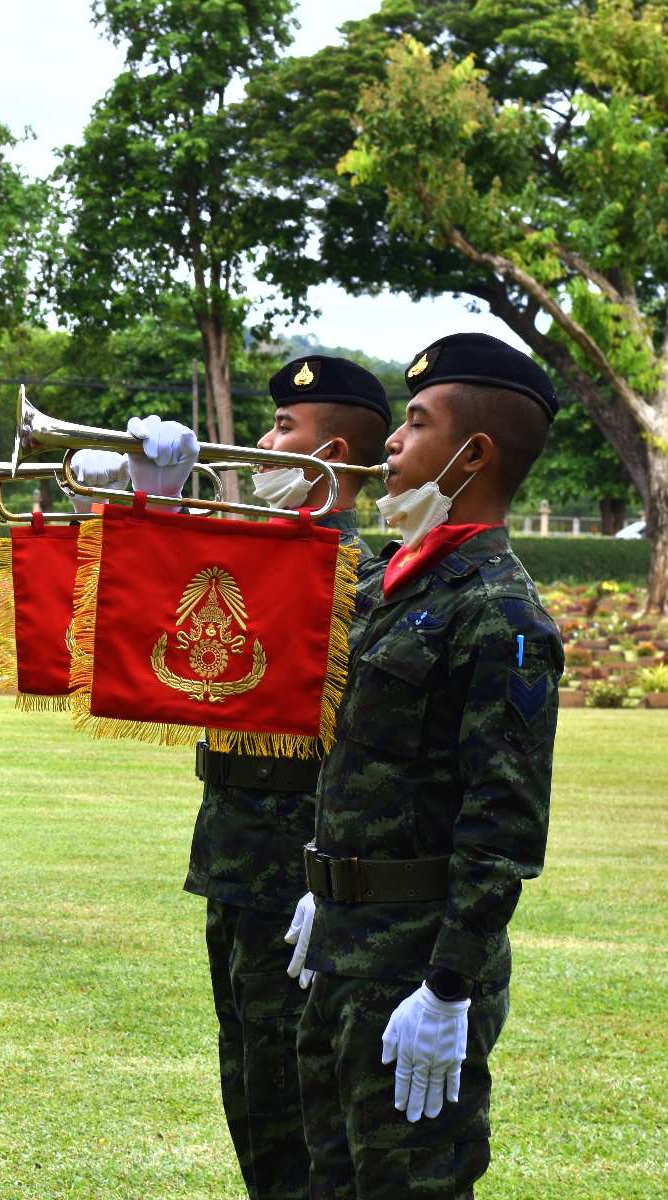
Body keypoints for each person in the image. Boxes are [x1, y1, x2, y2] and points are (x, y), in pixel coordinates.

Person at [286, 332, 565, 1199]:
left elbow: (503, 824)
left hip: (414, 969)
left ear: (472, 453)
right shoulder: (396, 586)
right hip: (343, 946)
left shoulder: (502, 614)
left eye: (414, 423)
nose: (393, 447)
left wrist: (449, 989)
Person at [187, 358, 390, 1200]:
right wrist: (135, 497)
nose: (262, 444)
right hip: (231, 866)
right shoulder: (249, 552)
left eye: (282, 431)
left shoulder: (371, 576)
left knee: (298, 1108)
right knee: (248, 1091)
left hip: (301, 875)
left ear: (328, 452)